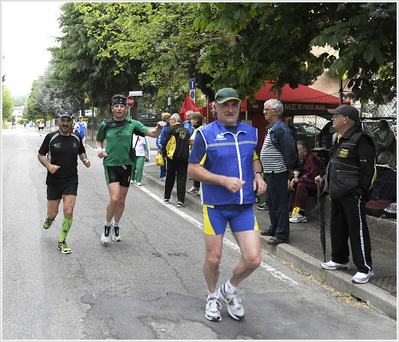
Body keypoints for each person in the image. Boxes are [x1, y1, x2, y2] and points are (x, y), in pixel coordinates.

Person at [188, 88, 266, 322]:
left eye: (234, 105)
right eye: (225, 106)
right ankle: (212, 296)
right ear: (216, 108)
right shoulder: (204, 134)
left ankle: (228, 290)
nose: (230, 110)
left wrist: (259, 175)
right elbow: (193, 168)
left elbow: (253, 157)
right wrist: (223, 180)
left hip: (243, 205)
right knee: (213, 259)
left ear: (239, 107)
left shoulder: (251, 132)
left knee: (254, 259)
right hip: (215, 206)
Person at [315, 104, 376, 284]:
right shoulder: (338, 138)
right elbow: (335, 163)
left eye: (336, 116)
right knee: (337, 227)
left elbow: (369, 170)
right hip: (337, 191)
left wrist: (360, 192)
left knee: (357, 230)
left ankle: (365, 268)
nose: (333, 119)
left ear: (346, 119)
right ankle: (340, 259)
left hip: (352, 193)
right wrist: (324, 177)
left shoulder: (361, 140)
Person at [96, 94, 165, 244]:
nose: (119, 109)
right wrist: (99, 150)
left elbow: (153, 134)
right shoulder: (105, 125)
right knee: (114, 198)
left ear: (126, 108)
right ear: (112, 108)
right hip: (110, 164)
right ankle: (107, 225)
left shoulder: (132, 124)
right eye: (116, 106)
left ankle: (116, 225)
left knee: (121, 200)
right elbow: (99, 140)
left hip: (127, 164)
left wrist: (159, 128)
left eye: (122, 106)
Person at [38, 110, 91, 254]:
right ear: (59, 121)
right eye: (63, 121)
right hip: (54, 180)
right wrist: (49, 166)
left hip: (71, 179)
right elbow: (40, 155)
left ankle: (62, 241)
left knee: (68, 211)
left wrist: (84, 159)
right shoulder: (51, 137)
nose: (66, 123)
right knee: (52, 213)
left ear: (72, 122)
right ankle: (49, 219)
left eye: (68, 121)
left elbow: (81, 151)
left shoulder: (76, 137)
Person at [259, 99, 302, 245]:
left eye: (266, 109)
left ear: (275, 112)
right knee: (271, 202)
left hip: (278, 172)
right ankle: (274, 228)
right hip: (271, 172)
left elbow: (289, 153)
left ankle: (282, 234)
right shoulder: (272, 128)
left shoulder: (281, 129)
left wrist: (289, 175)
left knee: (280, 204)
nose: (264, 112)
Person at [289, 140, 325, 223]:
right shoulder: (302, 159)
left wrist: (295, 180)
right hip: (311, 184)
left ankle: (301, 214)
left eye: (298, 150)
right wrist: (290, 179)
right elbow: (296, 170)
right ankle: (290, 210)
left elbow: (311, 177)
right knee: (289, 184)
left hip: (319, 185)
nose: (296, 152)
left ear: (305, 152)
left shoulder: (311, 159)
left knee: (301, 185)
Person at [162, 113, 190, 207]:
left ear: (174, 120)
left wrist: (164, 154)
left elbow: (165, 142)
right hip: (184, 157)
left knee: (170, 177)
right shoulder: (186, 130)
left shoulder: (170, 129)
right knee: (181, 178)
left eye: (170, 120)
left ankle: (167, 196)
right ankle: (180, 200)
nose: (169, 122)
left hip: (173, 157)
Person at [366, 151, 396, 219]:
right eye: (394, 161)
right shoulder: (393, 175)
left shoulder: (371, 171)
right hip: (383, 208)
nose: (395, 164)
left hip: (367, 206)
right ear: (390, 161)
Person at [187, 111, 204, 195]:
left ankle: (200, 188)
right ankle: (196, 186)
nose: (191, 121)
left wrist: (193, 143)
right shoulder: (195, 129)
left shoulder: (201, 129)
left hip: (200, 154)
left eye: (192, 119)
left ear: (196, 120)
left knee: (199, 170)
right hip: (195, 152)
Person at [156, 113, 171, 181]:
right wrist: (160, 147)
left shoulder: (168, 126)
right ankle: (163, 175)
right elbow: (160, 137)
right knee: (163, 162)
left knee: (166, 161)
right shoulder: (163, 126)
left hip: (167, 146)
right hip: (163, 146)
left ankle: (164, 175)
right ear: (166, 119)